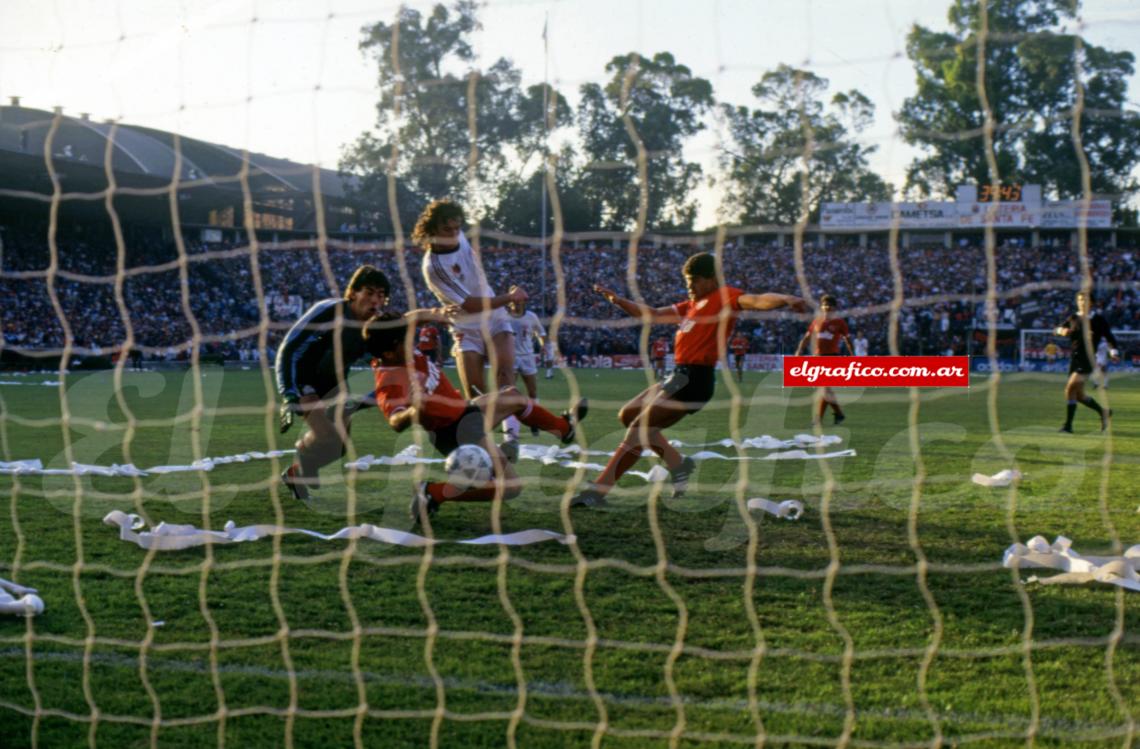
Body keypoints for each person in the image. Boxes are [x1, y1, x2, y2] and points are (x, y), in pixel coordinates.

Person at [571, 253, 807, 508]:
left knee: (638, 429)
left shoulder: (724, 296)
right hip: (677, 375)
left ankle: (597, 492)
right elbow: (651, 314)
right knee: (628, 414)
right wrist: (618, 300)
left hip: (695, 379)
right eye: (687, 281)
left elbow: (756, 300)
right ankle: (677, 463)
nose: (689, 286)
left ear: (711, 279)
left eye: (694, 281)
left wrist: (786, 299)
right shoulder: (691, 306)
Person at [367, 312, 587, 523]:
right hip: (456, 430)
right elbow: (394, 422)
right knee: (511, 487)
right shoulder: (389, 379)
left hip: (464, 411)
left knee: (514, 397)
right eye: (405, 339)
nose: (411, 340)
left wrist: (439, 314)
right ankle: (433, 493)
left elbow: (413, 321)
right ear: (389, 353)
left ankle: (564, 429)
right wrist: (414, 411)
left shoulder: (398, 350)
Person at [413, 200, 528, 460]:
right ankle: (480, 446)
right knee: (476, 394)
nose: (454, 232)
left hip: (496, 317)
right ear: (432, 230)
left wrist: (503, 302)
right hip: (466, 326)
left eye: (457, 226)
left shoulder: (459, 237)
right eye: (447, 228)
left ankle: (512, 441)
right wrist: (509, 297)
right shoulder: (434, 267)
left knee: (506, 371)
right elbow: (471, 305)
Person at [276, 265, 393, 502]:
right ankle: (301, 463)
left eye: (380, 295)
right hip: (305, 381)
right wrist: (288, 394)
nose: (375, 300)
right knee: (328, 437)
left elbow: (383, 361)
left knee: (339, 448)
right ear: (353, 293)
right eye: (369, 293)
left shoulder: (374, 326)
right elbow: (289, 350)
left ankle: (297, 472)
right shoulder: (330, 311)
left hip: (335, 384)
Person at [1056, 291, 1119, 432]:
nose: (1082, 302)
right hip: (1074, 360)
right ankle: (1104, 413)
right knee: (1078, 395)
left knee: (1069, 388)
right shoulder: (1073, 317)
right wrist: (1061, 330)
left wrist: (1114, 352)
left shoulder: (1098, 320)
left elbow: (1110, 337)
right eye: (1079, 299)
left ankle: (1067, 426)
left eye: (1085, 300)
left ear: (1091, 302)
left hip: (1088, 360)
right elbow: (1056, 329)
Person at [795, 294, 853, 426]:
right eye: (825, 305)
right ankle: (839, 414)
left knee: (824, 389)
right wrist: (799, 350)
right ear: (821, 307)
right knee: (826, 390)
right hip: (817, 357)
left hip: (831, 356)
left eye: (830, 305)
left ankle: (818, 419)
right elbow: (807, 337)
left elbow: (847, 339)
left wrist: (852, 355)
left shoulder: (839, 322)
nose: (827, 307)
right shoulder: (817, 321)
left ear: (834, 308)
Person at [507, 298, 548, 436]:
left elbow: (541, 333)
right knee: (510, 393)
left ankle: (534, 422)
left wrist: (543, 345)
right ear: (509, 303)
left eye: (519, 301)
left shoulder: (531, 316)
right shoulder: (504, 317)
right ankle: (512, 428)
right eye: (514, 301)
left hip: (527, 357)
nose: (516, 304)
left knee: (533, 392)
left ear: (524, 302)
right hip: (511, 357)